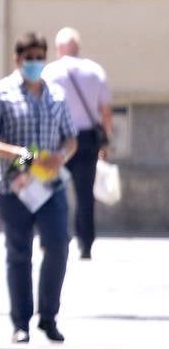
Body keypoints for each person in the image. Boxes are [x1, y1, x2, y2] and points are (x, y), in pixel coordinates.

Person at [0, 31, 78, 345]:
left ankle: (49, 316)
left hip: (49, 185)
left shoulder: (56, 96)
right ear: (17, 60)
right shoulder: (0, 94)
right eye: (28, 57)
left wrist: (62, 156)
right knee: (19, 252)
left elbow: (71, 137)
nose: (34, 63)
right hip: (12, 186)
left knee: (58, 245)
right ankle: (21, 322)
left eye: (39, 57)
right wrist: (15, 153)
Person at [42, 27, 113, 260]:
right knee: (85, 195)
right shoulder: (95, 71)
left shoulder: (50, 72)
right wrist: (106, 142)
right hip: (87, 139)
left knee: (53, 190)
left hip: (57, 139)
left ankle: (55, 238)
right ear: (78, 47)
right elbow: (105, 112)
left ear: (59, 48)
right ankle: (86, 244)